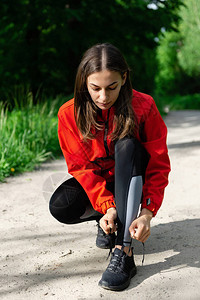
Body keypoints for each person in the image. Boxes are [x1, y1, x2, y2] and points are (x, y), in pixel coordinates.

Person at [49, 43, 171, 291]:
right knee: (61, 206)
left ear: (124, 78)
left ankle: (124, 250)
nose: (103, 97)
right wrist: (107, 206)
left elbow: (158, 165)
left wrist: (147, 212)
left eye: (111, 87)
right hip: (104, 185)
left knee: (127, 146)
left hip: (133, 176)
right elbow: (81, 168)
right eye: (95, 88)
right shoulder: (68, 114)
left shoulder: (144, 106)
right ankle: (110, 219)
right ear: (84, 82)